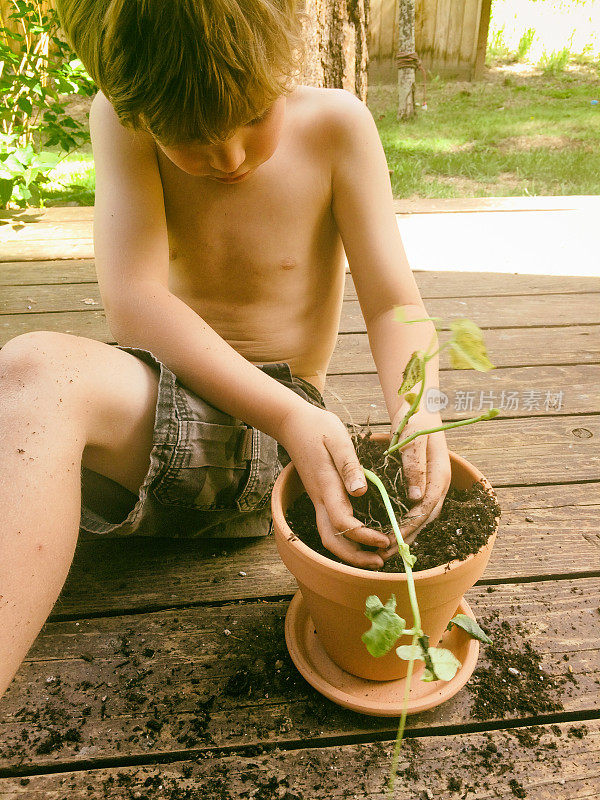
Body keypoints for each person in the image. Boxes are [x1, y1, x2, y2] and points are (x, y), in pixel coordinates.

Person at [0, 0, 451, 697]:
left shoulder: (336, 126)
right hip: (162, 409)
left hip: (276, 435)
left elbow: (396, 304)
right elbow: (136, 305)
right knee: (27, 389)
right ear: (134, 110)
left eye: (250, 115)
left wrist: (419, 411)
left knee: (35, 374)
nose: (228, 156)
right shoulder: (123, 121)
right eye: (188, 135)